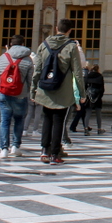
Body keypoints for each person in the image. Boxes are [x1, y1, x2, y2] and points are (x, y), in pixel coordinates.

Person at [32, 19, 84, 164]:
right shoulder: (72, 46)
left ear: (56, 28)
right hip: (63, 90)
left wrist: (32, 91)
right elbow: (78, 73)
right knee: (59, 122)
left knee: (47, 120)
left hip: (45, 90)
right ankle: (55, 154)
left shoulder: (43, 45)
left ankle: (44, 151)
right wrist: (81, 94)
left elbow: (37, 70)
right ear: (70, 31)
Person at [0, 35, 33, 158]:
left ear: (10, 45)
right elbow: (31, 80)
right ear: (23, 44)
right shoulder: (28, 60)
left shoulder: (2, 57)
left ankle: (4, 149)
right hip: (21, 95)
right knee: (19, 120)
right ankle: (15, 146)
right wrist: (28, 92)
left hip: (4, 93)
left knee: (4, 120)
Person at [83, 64, 105, 135]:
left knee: (88, 113)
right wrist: (100, 96)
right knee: (98, 113)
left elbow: (84, 87)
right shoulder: (100, 76)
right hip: (97, 96)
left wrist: (85, 96)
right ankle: (99, 129)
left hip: (89, 96)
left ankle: (86, 129)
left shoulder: (87, 76)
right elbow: (102, 88)